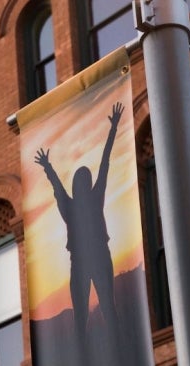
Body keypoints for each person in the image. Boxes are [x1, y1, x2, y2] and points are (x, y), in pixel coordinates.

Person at [34, 101, 123, 344]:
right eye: (82, 178)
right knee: (81, 315)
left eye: (86, 178)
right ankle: (84, 356)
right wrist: (48, 167)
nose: (85, 181)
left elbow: (105, 164)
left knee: (108, 308)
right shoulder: (72, 206)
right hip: (80, 262)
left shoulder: (93, 199)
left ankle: (117, 348)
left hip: (99, 256)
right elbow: (58, 186)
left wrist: (114, 129)